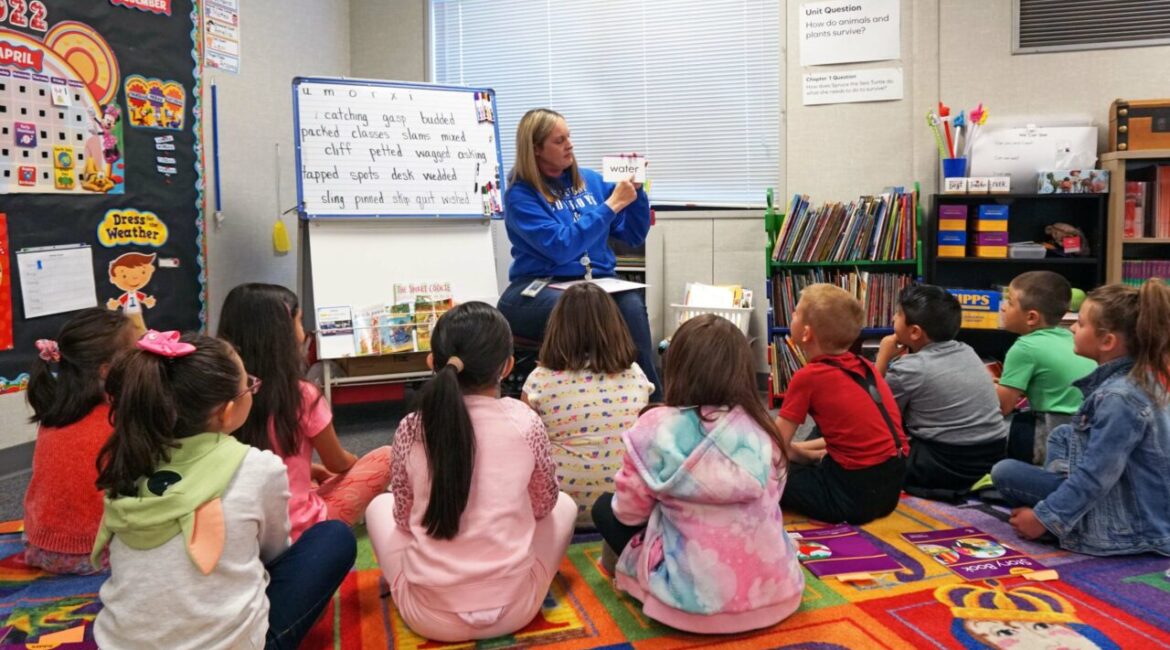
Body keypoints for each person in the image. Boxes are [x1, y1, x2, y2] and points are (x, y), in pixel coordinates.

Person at [91, 331, 356, 649]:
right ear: (226, 413)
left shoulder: (129, 459)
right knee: (334, 537)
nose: (253, 389)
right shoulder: (258, 467)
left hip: (117, 643)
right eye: (249, 385)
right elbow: (273, 554)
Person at [365, 302, 577, 642]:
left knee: (378, 507)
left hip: (428, 616)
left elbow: (403, 519)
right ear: (507, 367)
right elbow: (544, 506)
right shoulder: (525, 422)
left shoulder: (412, 427)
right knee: (565, 505)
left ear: (432, 361)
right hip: (518, 609)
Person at [590, 314, 803, 634]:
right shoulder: (762, 428)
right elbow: (772, 500)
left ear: (676, 367)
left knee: (604, 508)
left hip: (686, 602)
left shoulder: (655, 426)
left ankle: (619, 570)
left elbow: (629, 512)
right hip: (777, 593)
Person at [991, 281, 1170, 556]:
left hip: (1130, 525)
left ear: (1107, 341)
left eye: (1082, 324)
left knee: (1004, 472)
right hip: (1140, 501)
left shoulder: (1119, 397)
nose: (1072, 328)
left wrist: (1043, 519)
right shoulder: (1138, 379)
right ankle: (1065, 503)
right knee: (1061, 435)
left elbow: (1096, 476)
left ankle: (1065, 518)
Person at [496, 107, 661, 400]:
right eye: (559, 141)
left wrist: (636, 195)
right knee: (581, 308)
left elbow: (633, 235)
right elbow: (561, 247)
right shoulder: (520, 195)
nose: (569, 145)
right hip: (538, 287)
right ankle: (578, 402)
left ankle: (651, 402)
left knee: (631, 305)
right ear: (536, 149)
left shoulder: (591, 181)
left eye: (568, 137)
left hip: (595, 284)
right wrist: (610, 206)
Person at [218, 283, 392, 541]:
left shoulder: (217, 392)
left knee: (309, 479)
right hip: (297, 530)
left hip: (230, 527)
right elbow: (338, 462)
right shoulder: (299, 394)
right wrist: (354, 463)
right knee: (387, 456)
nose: (304, 332)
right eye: (299, 322)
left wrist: (308, 469)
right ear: (282, 332)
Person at [522, 283, 654, 526]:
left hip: (560, 510)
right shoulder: (636, 375)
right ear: (615, 326)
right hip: (623, 508)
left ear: (557, 328)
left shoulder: (539, 381)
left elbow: (526, 450)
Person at [776, 284, 909, 524]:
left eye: (795, 312)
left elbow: (774, 445)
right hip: (891, 486)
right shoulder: (865, 366)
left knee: (771, 474)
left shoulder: (808, 377)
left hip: (851, 493)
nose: (791, 316)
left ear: (806, 333)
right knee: (807, 448)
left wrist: (791, 452)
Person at [22, 308, 136, 574]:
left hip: (40, 544)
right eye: (136, 352)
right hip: (93, 552)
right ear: (107, 371)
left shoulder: (55, 411)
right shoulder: (115, 418)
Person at [875, 285, 1007, 499]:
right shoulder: (967, 350)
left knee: (866, 450)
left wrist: (883, 358)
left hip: (944, 463)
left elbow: (873, 411)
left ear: (915, 332)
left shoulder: (910, 368)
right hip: (992, 456)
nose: (892, 319)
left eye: (898, 314)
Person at [997, 271, 1096, 464]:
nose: (1003, 308)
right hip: (1085, 433)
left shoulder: (1024, 347)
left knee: (981, 427)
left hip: (1051, 433)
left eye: (1009, 302)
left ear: (1032, 317)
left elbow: (1002, 406)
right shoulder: (1069, 337)